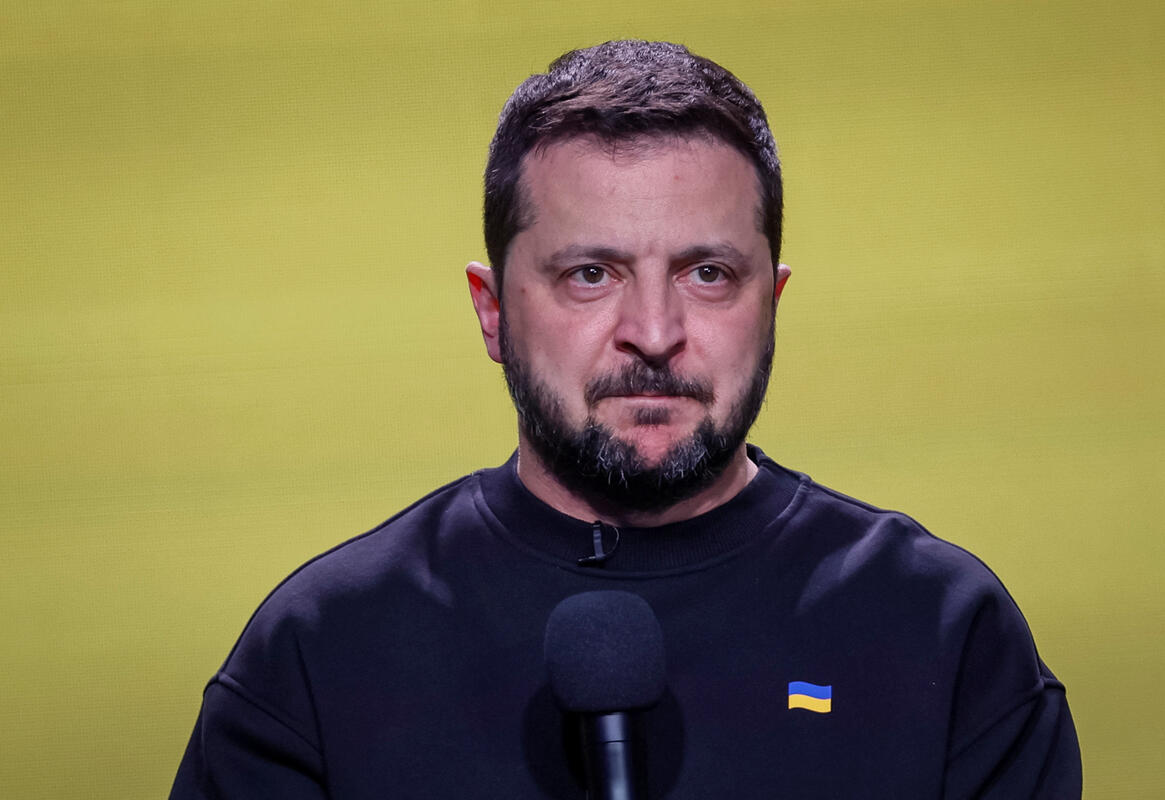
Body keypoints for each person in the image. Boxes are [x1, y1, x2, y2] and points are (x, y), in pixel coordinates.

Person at [169, 40, 1081, 798]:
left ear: (772, 304)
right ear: (492, 310)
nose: (654, 331)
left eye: (707, 274)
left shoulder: (940, 633)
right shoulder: (325, 654)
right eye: (590, 274)